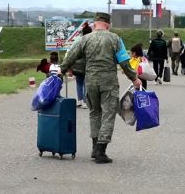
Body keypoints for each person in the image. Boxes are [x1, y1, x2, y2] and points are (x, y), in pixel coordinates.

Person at [60, 12, 141, 164]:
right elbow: (124, 62)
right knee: (108, 114)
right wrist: (134, 78)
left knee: (94, 113)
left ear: (95, 24)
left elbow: (70, 56)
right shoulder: (115, 39)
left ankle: (94, 147)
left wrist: (61, 71)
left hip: (90, 82)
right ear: (108, 24)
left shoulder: (84, 39)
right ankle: (101, 151)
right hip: (108, 82)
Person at [64, 22, 92, 109]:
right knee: (86, 84)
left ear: (82, 32)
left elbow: (70, 53)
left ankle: (79, 101)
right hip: (87, 66)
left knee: (79, 83)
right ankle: (85, 101)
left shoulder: (77, 40)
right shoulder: (91, 41)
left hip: (77, 66)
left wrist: (69, 67)